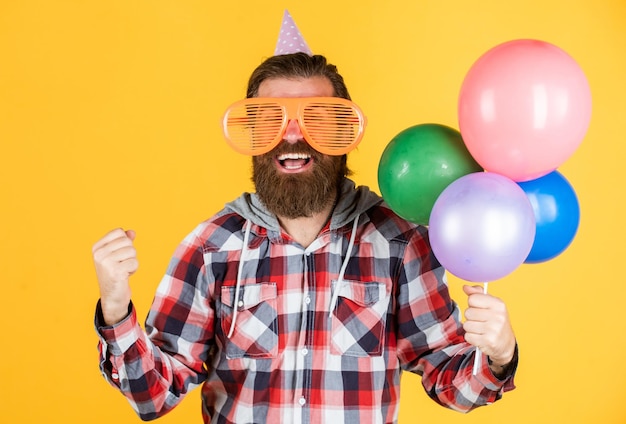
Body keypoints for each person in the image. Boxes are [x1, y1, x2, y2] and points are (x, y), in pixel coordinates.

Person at [93, 15, 517, 424]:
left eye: (318, 120)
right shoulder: (210, 249)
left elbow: (450, 380)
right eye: (269, 120)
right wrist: (116, 309)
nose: (293, 135)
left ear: (344, 134)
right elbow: (152, 395)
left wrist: (498, 354)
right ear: (253, 136)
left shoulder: (399, 242)